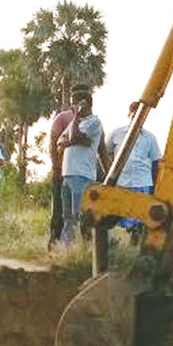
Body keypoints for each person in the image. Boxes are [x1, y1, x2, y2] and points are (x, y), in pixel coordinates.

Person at [106, 102, 162, 245]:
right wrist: (108, 175)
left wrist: (156, 186)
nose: (138, 118)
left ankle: (134, 246)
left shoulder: (150, 138)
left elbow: (157, 163)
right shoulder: (116, 134)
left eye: (142, 116)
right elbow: (104, 153)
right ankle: (111, 244)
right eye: (135, 115)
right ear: (129, 115)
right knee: (115, 217)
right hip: (121, 182)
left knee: (140, 221)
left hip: (142, 183)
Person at [57, 88, 107, 246]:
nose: (72, 108)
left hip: (82, 175)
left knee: (81, 216)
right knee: (67, 217)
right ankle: (67, 250)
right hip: (68, 174)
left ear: (85, 104)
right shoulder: (74, 123)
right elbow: (60, 143)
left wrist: (72, 139)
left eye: (75, 104)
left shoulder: (94, 122)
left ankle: (86, 249)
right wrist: (71, 140)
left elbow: (75, 137)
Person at [48, 83, 92, 249]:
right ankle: (54, 247)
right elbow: (53, 143)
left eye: (84, 97)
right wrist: (56, 168)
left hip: (84, 172)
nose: (81, 102)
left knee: (83, 213)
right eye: (78, 98)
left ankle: (84, 249)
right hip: (63, 171)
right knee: (60, 213)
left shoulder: (93, 121)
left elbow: (97, 147)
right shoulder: (62, 118)